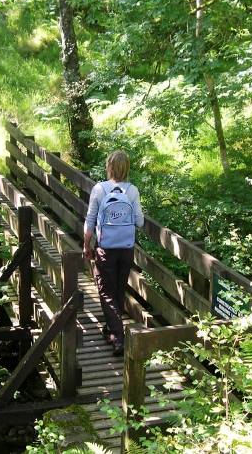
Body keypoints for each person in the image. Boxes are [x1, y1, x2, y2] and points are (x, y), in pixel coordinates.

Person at [83, 150, 144, 356]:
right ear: (127, 168)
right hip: (126, 248)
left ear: (109, 166)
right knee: (117, 289)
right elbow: (140, 222)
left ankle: (118, 338)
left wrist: (86, 245)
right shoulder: (132, 191)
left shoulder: (100, 189)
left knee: (105, 291)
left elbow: (90, 220)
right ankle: (111, 328)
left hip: (106, 248)